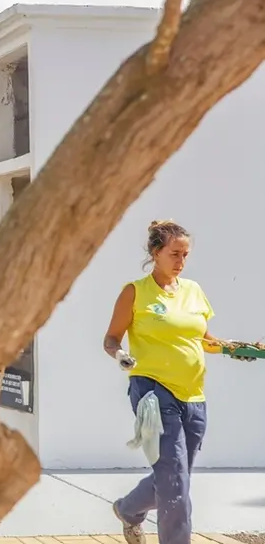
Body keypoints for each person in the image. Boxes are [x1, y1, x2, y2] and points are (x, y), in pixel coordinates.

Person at [103, 220, 225, 544]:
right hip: (153, 393)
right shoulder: (135, 292)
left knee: (175, 479)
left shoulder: (194, 291)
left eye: (185, 254)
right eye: (174, 253)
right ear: (155, 252)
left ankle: (128, 510)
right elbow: (111, 339)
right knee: (175, 484)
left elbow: (204, 339)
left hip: (194, 397)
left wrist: (231, 348)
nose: (181, 261)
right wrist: (120, 356)